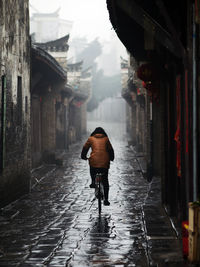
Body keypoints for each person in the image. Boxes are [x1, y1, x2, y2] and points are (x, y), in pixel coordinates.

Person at [81, 127, 114, 206]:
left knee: (92, 166)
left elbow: (85, 148)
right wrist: (111, 158)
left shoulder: (91, 138)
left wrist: (83, 156)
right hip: (104, 162)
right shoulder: (106, 139)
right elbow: (110, 150)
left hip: (94, 161)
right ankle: (106, 199)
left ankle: (93, 181)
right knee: (105, 180)